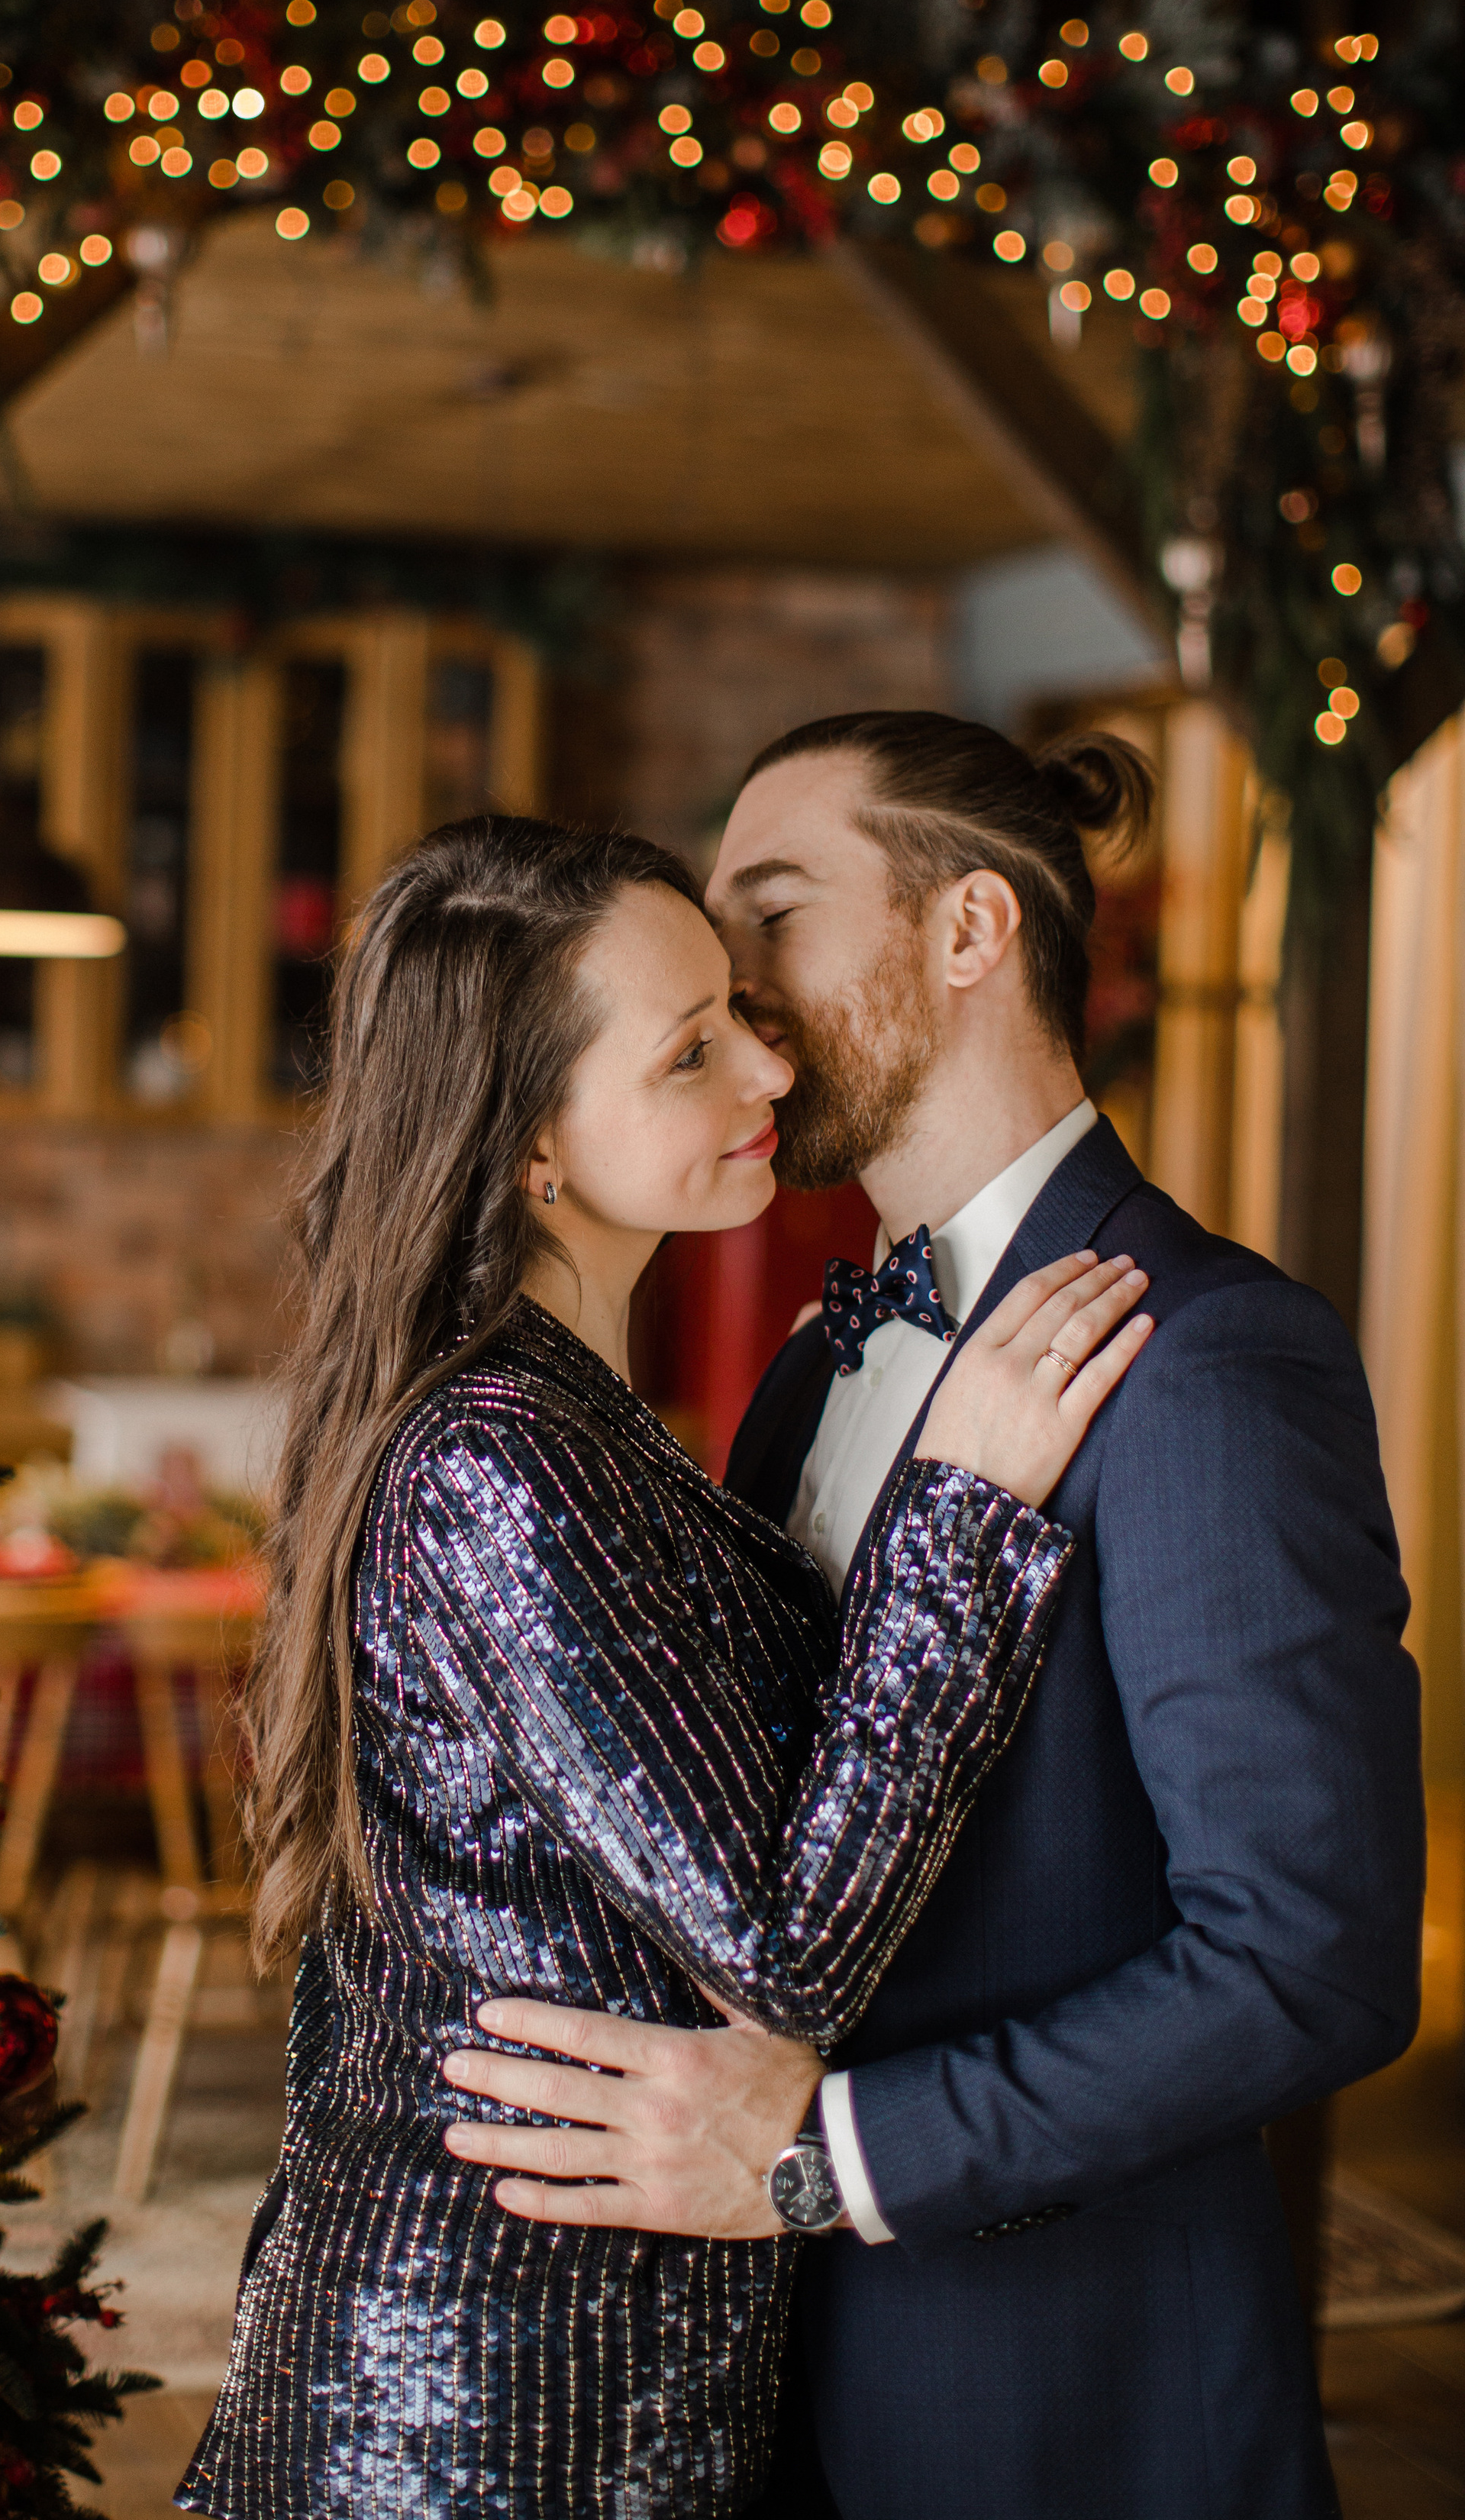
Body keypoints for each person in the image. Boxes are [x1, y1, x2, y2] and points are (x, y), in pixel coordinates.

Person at [442, 714, 1425, 2520]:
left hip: (1064, 2406)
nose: (730, 999)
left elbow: (1307, 1958)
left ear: (968, 931)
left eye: (771, 916)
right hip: (746, 2394)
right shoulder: (816, 1362)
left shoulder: (1205, 1358)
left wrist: (825, 2162)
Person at [176, 813, 1153, 2520]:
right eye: (689, 1047)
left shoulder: (566, 1425)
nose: (765, 1062)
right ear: (530, 1145)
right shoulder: (496, 1455)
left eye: (740, 1012)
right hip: (487, 2401)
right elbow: (776, 1947)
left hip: (587, 2349)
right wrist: (959, 1514)